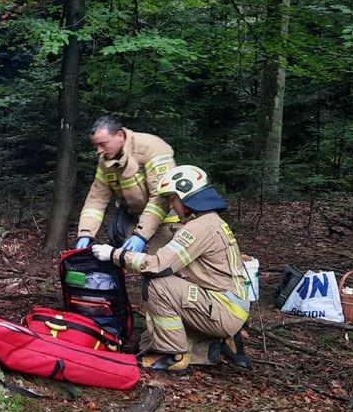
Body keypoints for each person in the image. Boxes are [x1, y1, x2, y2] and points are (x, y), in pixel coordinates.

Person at [91, 165, 252, 374]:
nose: (171, 205)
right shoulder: (210, 222)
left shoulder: (199, 228)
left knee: (157, 284)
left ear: (186, 198)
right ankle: (208, 348)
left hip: (223, 308)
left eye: (172, 199)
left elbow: (158, 265)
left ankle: (172, 355)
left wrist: (114, 255)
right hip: (225, 303)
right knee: (145, 341)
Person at [74, 116, 178, 254]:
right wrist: (85, 233)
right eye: (95, 145)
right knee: (129, 262)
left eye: (103, 144)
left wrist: (141, 235)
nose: (99, 150)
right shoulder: (105, 161)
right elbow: (96, 200)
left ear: (120, 135)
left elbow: (162, 197)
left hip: (168, 220)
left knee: (157, 267)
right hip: (137, 221)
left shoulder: (151, 148)